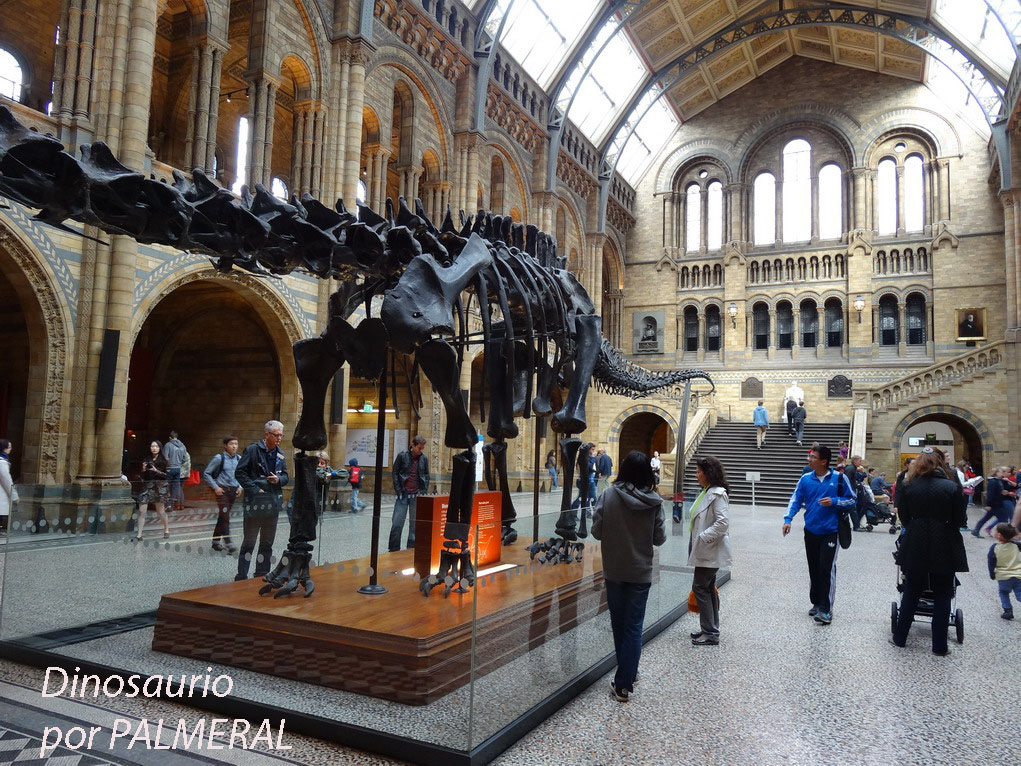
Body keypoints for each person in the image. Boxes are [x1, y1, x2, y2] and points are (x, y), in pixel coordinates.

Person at [591, 451, 665, 701]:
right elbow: (659, 538)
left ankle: (625, 677)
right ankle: (627, 677)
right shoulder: (654, 501)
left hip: (614, 569)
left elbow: (597, 531)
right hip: (640, 571)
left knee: (619, 624)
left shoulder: (608, 495)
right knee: (633, 626)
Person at [891, 449, 968, 655]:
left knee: (912, 589)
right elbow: (960, 519)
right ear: (941, 464)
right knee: (943, 592)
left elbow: (904, 517)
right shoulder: (951, 487)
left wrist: (916, 526)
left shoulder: (908, 485)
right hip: (943, 541)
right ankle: (939, 646)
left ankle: (900, 638)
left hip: (915, 540)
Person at [783, 444, 856, 625]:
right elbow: (796, 499)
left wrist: (834, 501)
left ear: (823, 461)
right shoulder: (805, 479)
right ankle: (816, 602)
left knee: (826, 568)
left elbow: (852, 500)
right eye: (810, 456)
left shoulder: (839, 478)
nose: (809, 460)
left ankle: (826, 609)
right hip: (811, 530)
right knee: (814, 567)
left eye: (813, 457)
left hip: (831, 531)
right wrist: (788, 519)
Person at [235, 420, 288, 581]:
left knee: (267, 543)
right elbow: (240, 473)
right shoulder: (252, 450)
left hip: (272, 504)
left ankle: (261, 575)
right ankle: (241, 576)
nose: (279, 438)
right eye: (276, 435)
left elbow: (286, 476)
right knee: (249, 543)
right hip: (255, 503)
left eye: (281, 435)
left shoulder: (280, 453)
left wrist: (278, 479)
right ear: (267, 434)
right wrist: (255, 489)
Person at [688, 456, 732, 646]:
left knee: (700, 587)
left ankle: (710, 632)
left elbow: (722, 523)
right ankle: (710, 628)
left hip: (709, 547)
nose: (697, 475)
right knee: (707, 587)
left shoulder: (717, 494)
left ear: (708, 473)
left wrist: (703, 537)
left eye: (699, 472)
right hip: (704, 548)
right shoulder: (706, 491)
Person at [389, 435, 429, 552]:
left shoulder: (424, 459)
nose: (421, 450)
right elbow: (395, 473)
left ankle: (411, 548)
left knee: (414, 524)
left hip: (416, 495)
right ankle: (394, 548)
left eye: (422, 448)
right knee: (397, 522)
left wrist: (423, 491)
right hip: (403, 494)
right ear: (413, 446)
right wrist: (398, 490)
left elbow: (426, 475)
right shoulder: (402, 456)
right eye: (419, 448)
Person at [202, 435, 241, 552]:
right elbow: (206, 473)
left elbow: (242, 474)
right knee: (225, 516)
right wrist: (215, 487)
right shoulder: (219, 458)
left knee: (223, 516)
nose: (234, 446)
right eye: (231, 444)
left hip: (233, 491)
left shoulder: (239, 459)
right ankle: (229, 543)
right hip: (222, 491)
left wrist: (240, 486)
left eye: (236, 444)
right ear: (225, 446)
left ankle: (215, 543)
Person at [137, 440, 170, 539]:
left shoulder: (164, 461)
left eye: (156, 446)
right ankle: (139, 534)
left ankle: (166, 529)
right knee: (142, 510)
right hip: (147, 486)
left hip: (159, 488)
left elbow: (167, 476)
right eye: (152, 446)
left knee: (160, 511)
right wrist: (143, 469)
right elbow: (142, 476)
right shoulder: (146, 459)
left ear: (160, 448)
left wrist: (156, 471)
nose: (154, 448)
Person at [987, 522, 1021, 620]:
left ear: (999, 535)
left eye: (995, 530)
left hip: (1003, 576)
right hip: (1018, 575)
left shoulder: (995, 547)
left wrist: (992, 574)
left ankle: (1008, 611)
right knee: (1019, 592)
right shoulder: (1017, 545)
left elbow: (991, 562)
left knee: (1003, 592)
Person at [973, 467, 1013, 537]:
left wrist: (1003, 492)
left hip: (997, 504)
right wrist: (988, 504)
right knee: (1003, 519)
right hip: (995, 504)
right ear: (996, 473)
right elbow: (990, 494)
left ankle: (976, 530)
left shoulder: (999, 481)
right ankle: (1004, 535)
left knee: (986, 518)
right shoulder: (992, 482)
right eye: (1001, 472)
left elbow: (998, 491)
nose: (1002, 474)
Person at [162, 431, 188, 511]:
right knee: (175, 488)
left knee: (166, 487)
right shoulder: (182, 446)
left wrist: (169, 464)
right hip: (178, 469)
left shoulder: (168, 445)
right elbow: (185, 459)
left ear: (170, 437)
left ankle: (166, 506)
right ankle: (172, 506)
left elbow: (165, 457)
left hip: (169, 469)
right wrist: (179, 463)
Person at [0, 438, 17, 537]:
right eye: (9, 447)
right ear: (4, 448)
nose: (11, 449)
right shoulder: (2, 462)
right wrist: (14, 496)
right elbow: (7, 480)